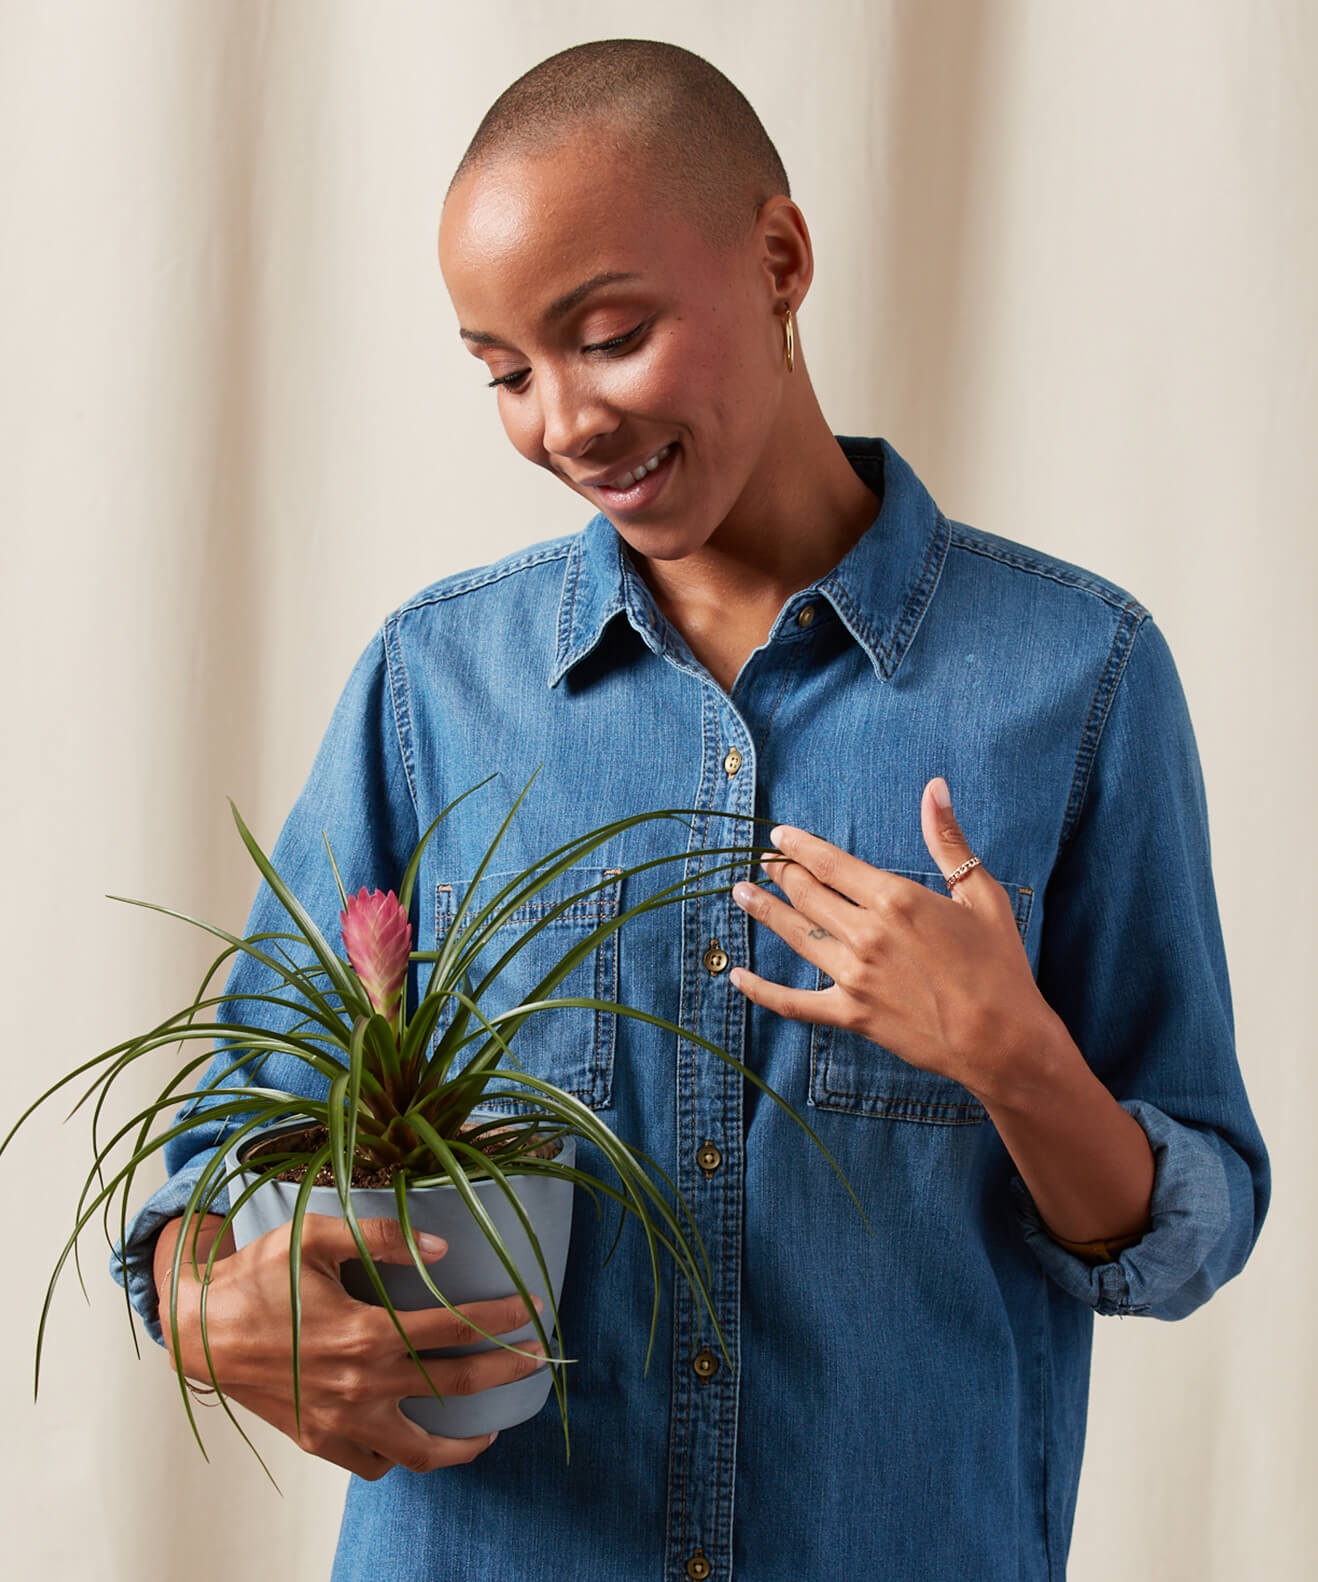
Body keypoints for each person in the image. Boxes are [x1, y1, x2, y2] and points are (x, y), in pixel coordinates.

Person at [111, 37, 1270, 1581]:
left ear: (780, 258)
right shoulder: (434, 683)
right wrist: (213, 1307)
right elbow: (217, 1150)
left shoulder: (1078, 677)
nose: (563, 421)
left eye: (609, 334)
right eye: (505, 371)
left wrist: (1013, 1053)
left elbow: (1189, 1230)